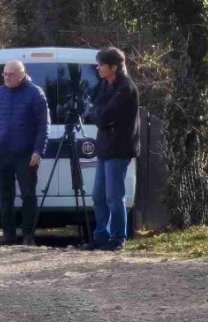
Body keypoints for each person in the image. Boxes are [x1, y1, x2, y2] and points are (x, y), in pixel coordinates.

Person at [0, 60, 50, 246]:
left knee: (28, 195)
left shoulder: (35, 93)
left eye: (10, 75)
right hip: (2, 153)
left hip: (26, 154)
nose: (6, 77)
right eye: (4, 74)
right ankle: (8, 234)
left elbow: (43, 125)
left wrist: (38, 150)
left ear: (21, 75)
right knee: (5, 195)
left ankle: (28, 235)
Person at [86, 47, 139, 251]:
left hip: (119, 148)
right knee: (98, 196)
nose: (98, 68)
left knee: (114, 197)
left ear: (114, 67)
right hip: (104, 147)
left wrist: (97, 115)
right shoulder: (105, 85)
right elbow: (92, 109)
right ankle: (101, 235)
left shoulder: (126, 88)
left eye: (102, 64)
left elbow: (102, 116)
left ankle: (118, 237)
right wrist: (96, 114)